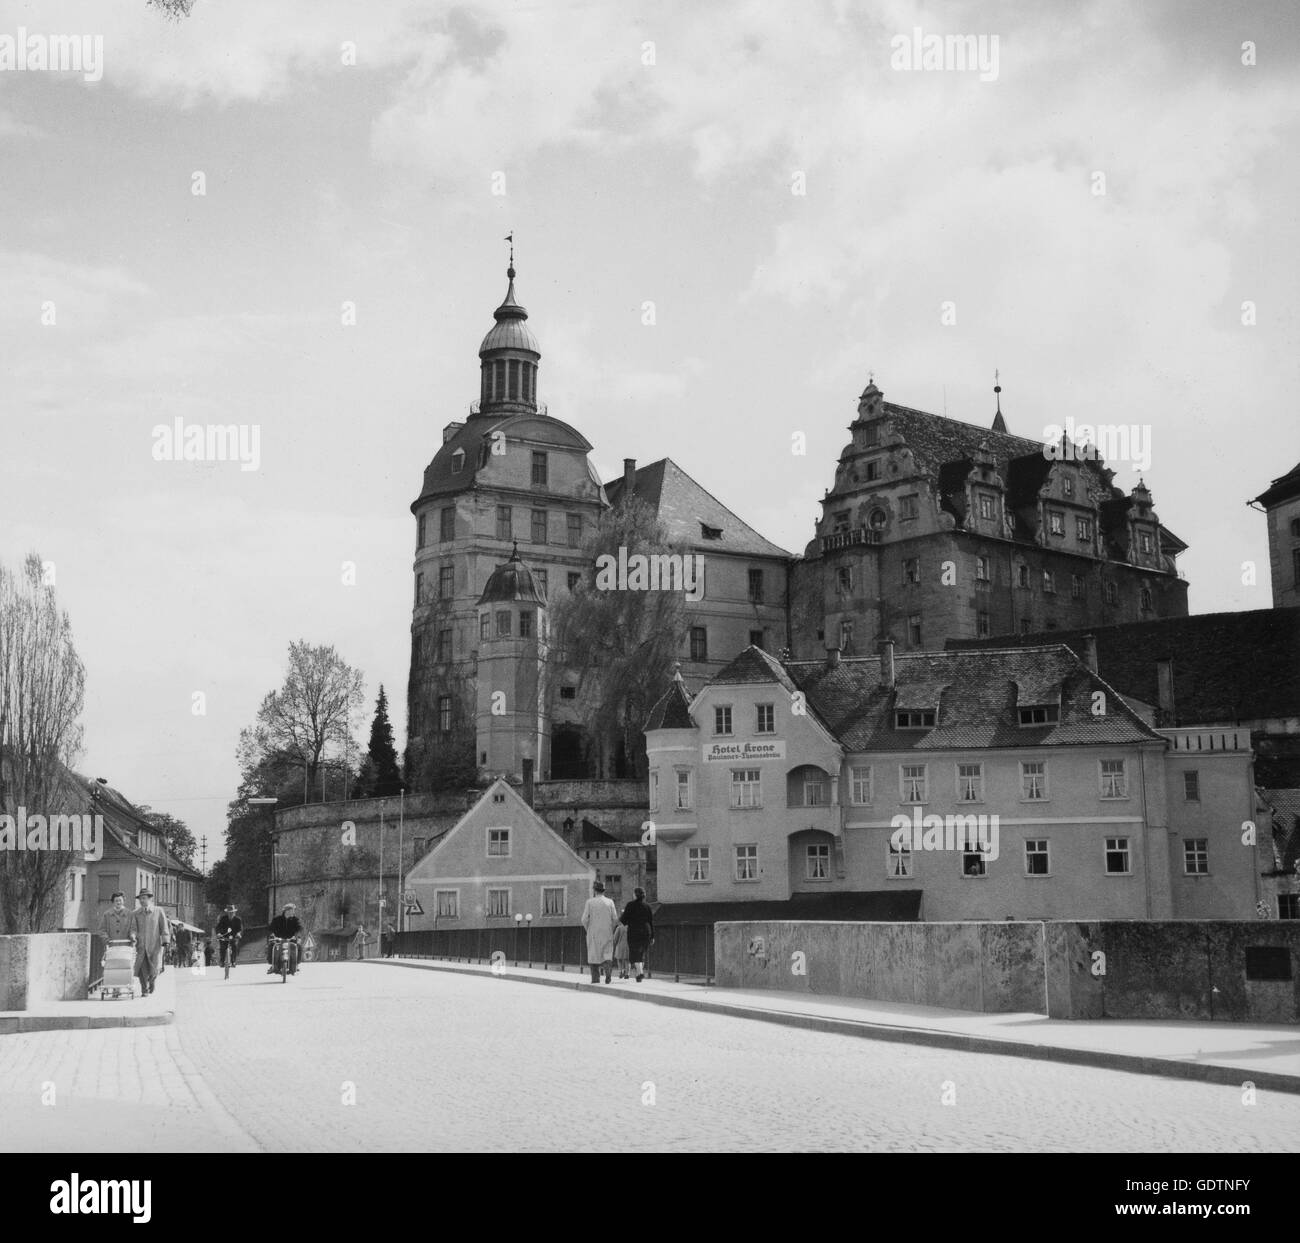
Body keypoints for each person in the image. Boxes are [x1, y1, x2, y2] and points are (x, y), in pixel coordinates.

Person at [130, 888, 171, 997]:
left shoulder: (158, 911)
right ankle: (144, 989)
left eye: (144, 898)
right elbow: (133, 928)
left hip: (155, 945)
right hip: (141, 946)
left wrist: (166, 940)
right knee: (141, 968)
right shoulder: (135, 913)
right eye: (140, 899)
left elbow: (164, 927)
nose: (142, 901)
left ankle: (152, 980)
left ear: (150, 899)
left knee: (154, 968)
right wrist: (133, 936)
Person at [580, 880, 619, 984]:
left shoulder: (590, 902)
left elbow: (584, 919)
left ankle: (595, 979)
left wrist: (588, 929)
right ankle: (608, 973)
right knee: (607, 953)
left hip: (593, 932)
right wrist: (611, 928)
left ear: (594, 890)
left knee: (593, 955)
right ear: (604, 890)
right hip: (607, 931)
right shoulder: (610, 902)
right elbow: (615, 919)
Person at [620, 886, 655, 983]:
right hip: (646, 931)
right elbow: (651, 922)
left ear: (635, 895)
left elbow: (623, 920)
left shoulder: (630, 905)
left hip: (634, 932)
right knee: (642, 953)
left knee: (634, 953)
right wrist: (652, 936)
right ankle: (639, 974)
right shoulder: (648, 906)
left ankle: (640, 972)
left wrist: (627, 921)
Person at [267, 902, 304, 974]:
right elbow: (270, 929)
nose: (293, 912)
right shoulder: (277, 919)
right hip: (279, 939)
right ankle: (272, 965)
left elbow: (299, 928)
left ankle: (296, 964)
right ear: (286, 911)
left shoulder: (295, 920)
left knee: (299, 946)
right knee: (271, 945)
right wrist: (272, 935)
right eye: (292, 910)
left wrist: (296, 936)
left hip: (291, 939)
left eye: (293, 910)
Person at [215, 904, 243, 968]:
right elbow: (218, 927)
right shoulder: (223, 919)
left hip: (234, 937)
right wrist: (218, 933)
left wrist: (238, 934)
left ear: (234, 912)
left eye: (232, 912)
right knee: (222, 947)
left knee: (234, 946)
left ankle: (233, 961)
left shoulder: (238, 919)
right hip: (224, 936)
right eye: (229, 913)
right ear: (227, 913)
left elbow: (240, 929)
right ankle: (222, 961)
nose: (230, 914)